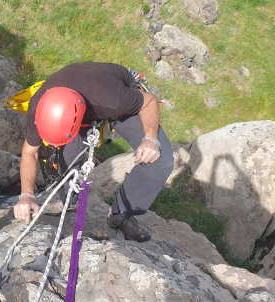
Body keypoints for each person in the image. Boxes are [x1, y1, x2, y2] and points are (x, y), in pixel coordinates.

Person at [12, 62, 174, 242]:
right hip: (74, 103)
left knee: (160, 161)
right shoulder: (39, 108)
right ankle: (70, 201)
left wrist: (150, 138)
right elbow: (29, 152)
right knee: (69, 162)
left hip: (110, 95)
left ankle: (121, 214)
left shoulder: (114, 100)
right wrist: (26, 194)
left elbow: (149, 101)